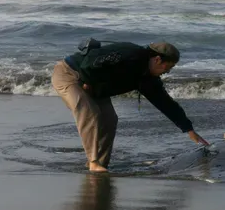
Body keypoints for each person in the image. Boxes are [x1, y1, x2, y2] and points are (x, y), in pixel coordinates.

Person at [50, 39, 209, 173]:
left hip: (95, 85)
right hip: (70, 74)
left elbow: (165, 103)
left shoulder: (148, 79)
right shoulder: (129, 53)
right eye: (167, 68)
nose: (166, 73)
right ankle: (94, 162)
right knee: (90, 113)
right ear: (157, 60)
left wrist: (188, 129)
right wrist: (88, 81)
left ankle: (102, 164)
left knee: (110, 119)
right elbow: (90, 62)